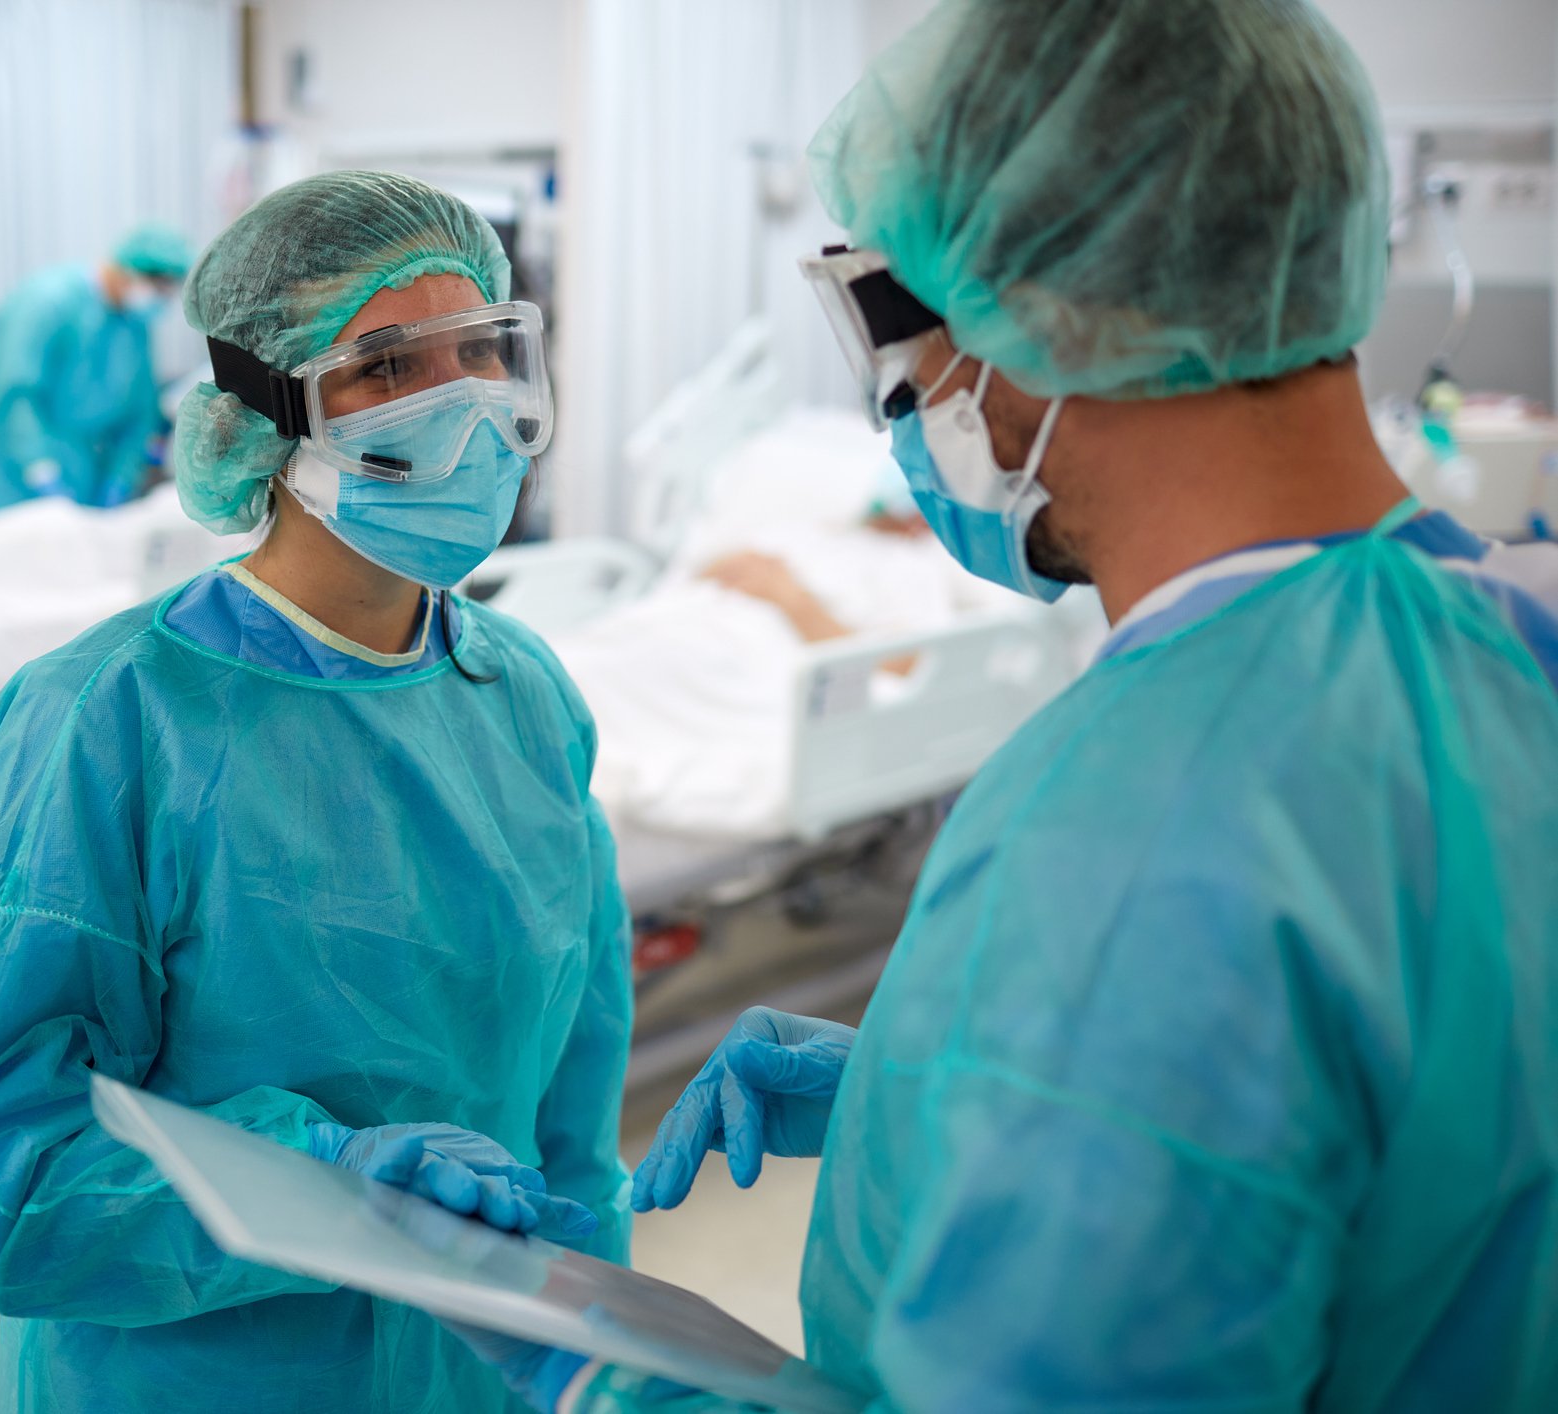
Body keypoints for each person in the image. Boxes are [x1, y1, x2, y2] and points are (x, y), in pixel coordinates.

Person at [441, 2, 1558, 1409]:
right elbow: (1393, 1113)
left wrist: (596, 1381)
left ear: (1057, 312)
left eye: (892, 315)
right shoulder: (1511, 630)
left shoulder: (1139, 827)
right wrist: (947, 1085)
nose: (902, 401)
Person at [0, 171, 632, 1413]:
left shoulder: (527, 698)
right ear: (263, 417)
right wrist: (327, 1182)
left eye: (485, 355)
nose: (464, 408)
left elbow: (573, 1111)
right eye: (391, 370)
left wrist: (593, 1350)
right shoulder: (106, 725)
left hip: (479, 1372)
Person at [0, 223, 195, 532]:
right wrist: (38, 466)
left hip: (76, 478)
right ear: (127, 270)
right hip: (0, 473)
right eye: (158, 289)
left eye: (168, 293)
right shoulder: (46, 301)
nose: (159, 301)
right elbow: (15, 393)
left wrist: (120, 478)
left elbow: (140, 413)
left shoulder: (133, 326)